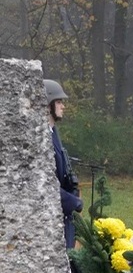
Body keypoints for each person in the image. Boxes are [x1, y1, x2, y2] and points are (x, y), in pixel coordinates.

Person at [45, 79, 83, 248]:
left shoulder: (53, 133)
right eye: (59, 102)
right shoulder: (44, 138)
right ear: (48, 105)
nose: (63, 106)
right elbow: (46, 183)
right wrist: (73, 202)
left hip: (63, 214)